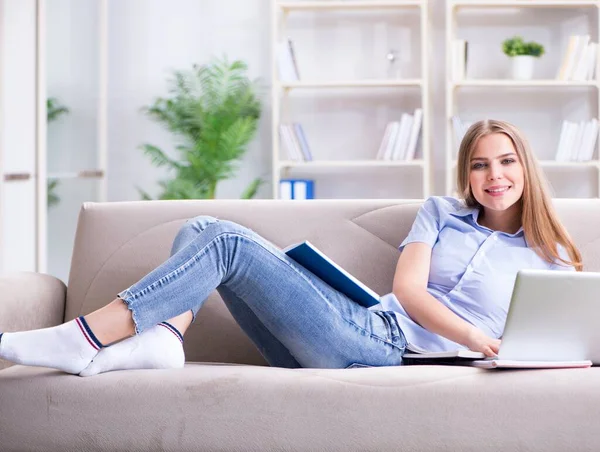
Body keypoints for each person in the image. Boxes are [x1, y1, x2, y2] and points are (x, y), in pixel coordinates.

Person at [0, 119, 582, 375]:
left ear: (526, 169)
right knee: (199, 230)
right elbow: (407, 289)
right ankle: (167, 339)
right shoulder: (440, 213)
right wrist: (482, 338)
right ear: (468, 174)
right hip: (368, 326)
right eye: (480, 165)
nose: (494, 175)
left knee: (223, 239)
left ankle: (86, 337)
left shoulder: (553, 256)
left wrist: (491, 347)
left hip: (387, 356)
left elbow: (570, 339)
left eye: (506, 162)